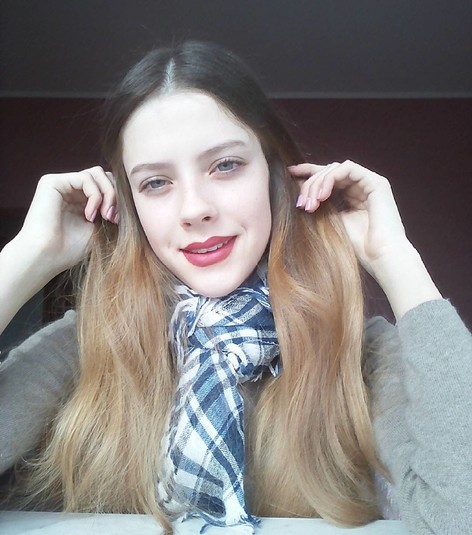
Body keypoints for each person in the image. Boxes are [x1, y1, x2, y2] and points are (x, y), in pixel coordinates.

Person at [0, 41, 470, 535]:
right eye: (156, 183)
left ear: (275, 176)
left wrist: (395, 258)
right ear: (131, 206)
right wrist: (27, 257)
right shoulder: (89, 343)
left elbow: (460, 515)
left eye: (225, 165)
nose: (194, 209)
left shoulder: (360, 350)